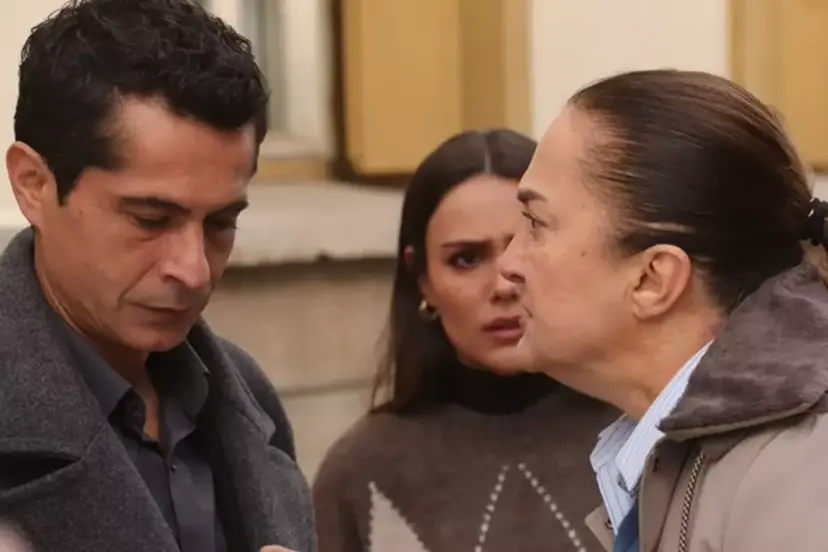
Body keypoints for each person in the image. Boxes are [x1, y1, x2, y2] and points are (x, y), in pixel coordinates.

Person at [0, 1, 315, 551]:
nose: (193, 271)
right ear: (34, 184)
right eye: (150, 219)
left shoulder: (247, 396)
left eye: (220, 223)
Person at [498, 68, 828, 552]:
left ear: (653, 279)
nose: (507, 264)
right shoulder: (692, 458)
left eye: (535, 223)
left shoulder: (795, 479)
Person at [312, 129, 617, 552]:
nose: (503, 284)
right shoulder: (360, 472)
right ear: (423, 278)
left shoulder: (643, 441)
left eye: (527, 245)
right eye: (466, 259)